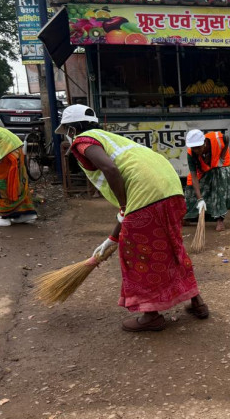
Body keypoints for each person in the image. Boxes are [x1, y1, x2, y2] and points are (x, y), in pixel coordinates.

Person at [56, 104, 208, 332]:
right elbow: (128, 201)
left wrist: (125, 207)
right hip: (170, 190)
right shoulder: (112, 138)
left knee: (137, 254)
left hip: (146, 197)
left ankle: (151, 315)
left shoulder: (83, 141)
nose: (68, 136)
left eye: (67, 130)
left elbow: (111, 170)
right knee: (173, 248)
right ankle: (197, 302)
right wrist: (111, 238)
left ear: (73, 128)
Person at [184, 129, 230, 232]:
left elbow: (227, 139)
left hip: (219, 166)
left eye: (198, 148)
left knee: (218, 182)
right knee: (191, 187)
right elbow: (194, 175)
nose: (196, 151)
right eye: (193, 148)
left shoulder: (217, 138)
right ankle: (189, 216)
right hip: (204, 170)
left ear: (204, 143)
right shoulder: (191, 153)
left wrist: (221, 157)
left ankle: (219, 219)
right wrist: (200, 199)